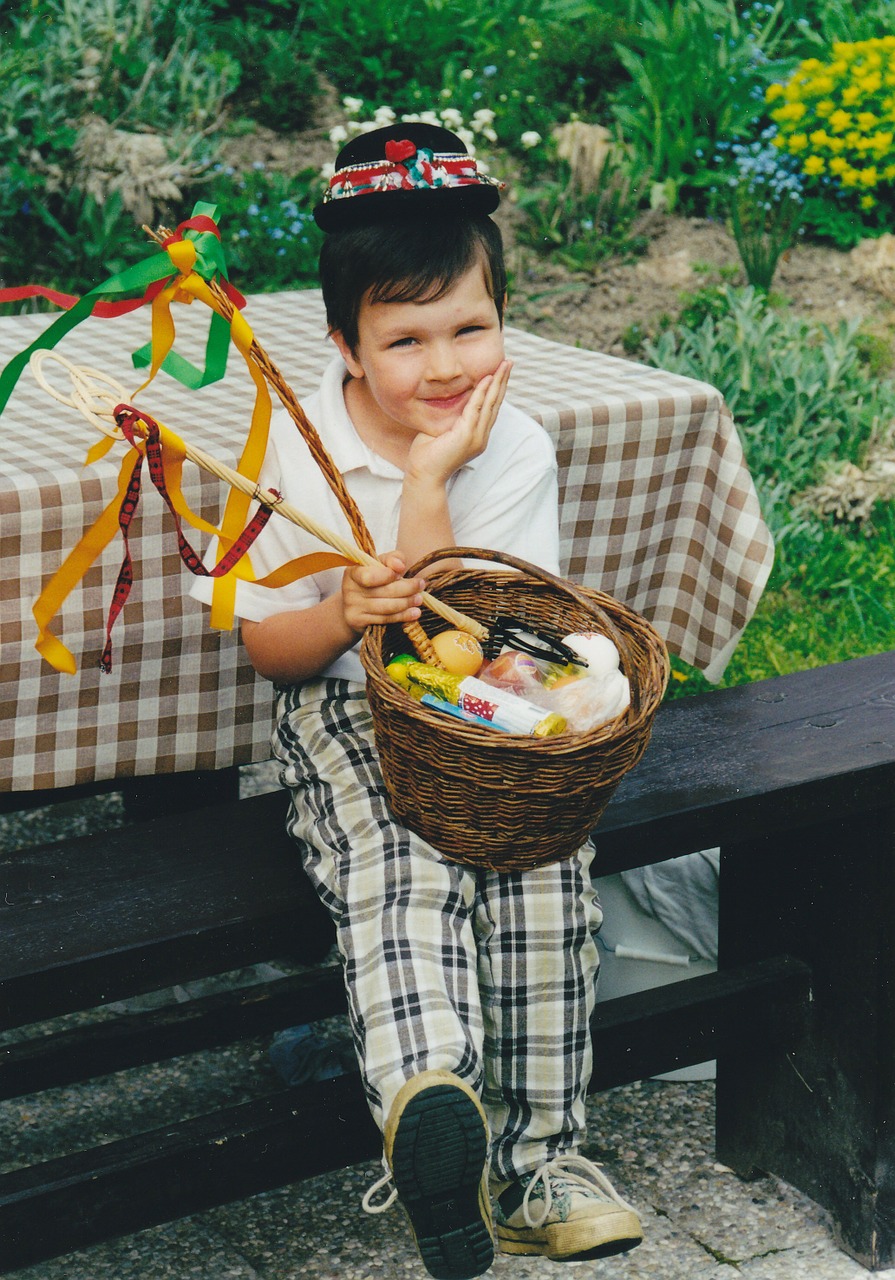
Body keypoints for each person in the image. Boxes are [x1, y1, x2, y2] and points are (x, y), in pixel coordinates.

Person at [191, 121, 642, 1280]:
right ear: (343, 344)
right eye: (406, 339)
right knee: (405, 868)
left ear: (507, 324)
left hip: (483, 714)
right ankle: (429, 1101)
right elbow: (277, 655)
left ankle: (544, 1163)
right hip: (343, 710)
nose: (445, 366)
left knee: (543, 872)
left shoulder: (515, 446)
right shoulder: (292, 448)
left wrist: (434, 480)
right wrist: (343, 611)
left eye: (472, 328)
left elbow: (475, 645)